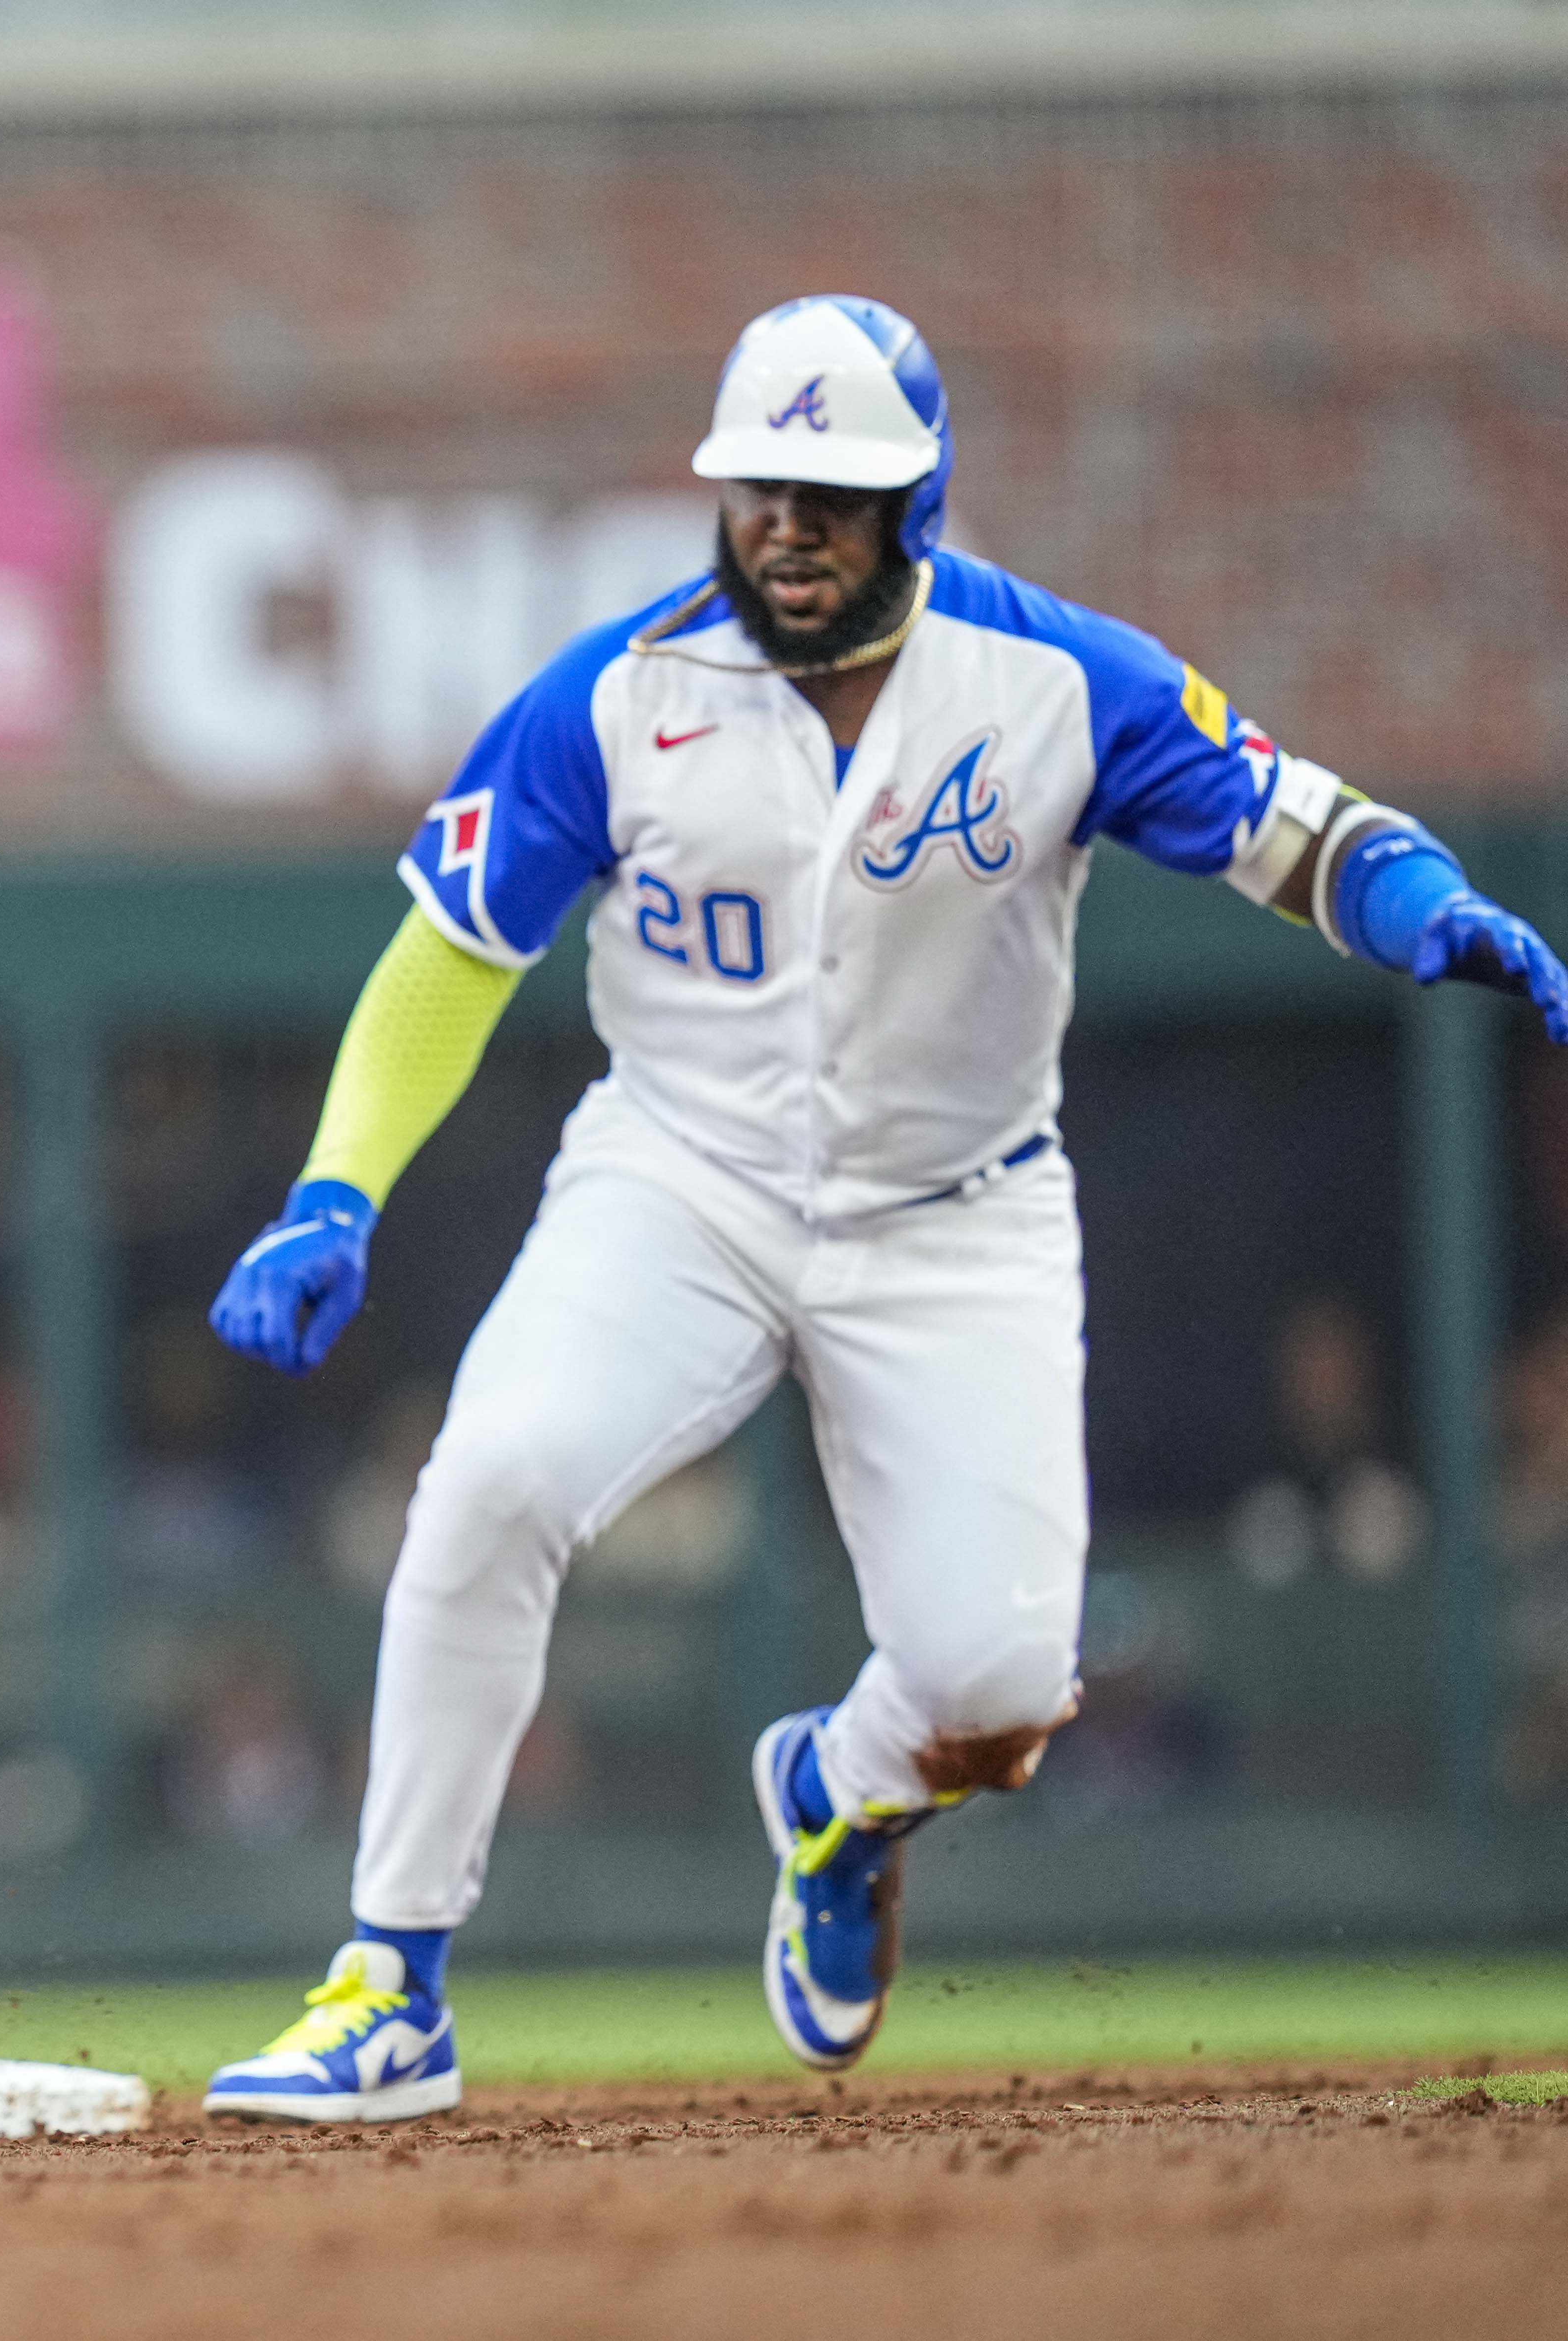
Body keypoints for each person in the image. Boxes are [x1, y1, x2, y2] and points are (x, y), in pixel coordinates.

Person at [196, 296, 1568, 2119]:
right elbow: (445, 961)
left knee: (998, 1689)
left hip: (958, 1211)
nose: (786, 525)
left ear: (919, 505)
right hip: (676, 1179)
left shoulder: (1058, 681)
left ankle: (837, 1795)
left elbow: (1300, 825)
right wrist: (331, 1193)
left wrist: (1422, 908)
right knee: (493, 1474)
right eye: (760, 487)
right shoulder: (608, 694)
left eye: (831, 496)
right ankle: (391, 1980)